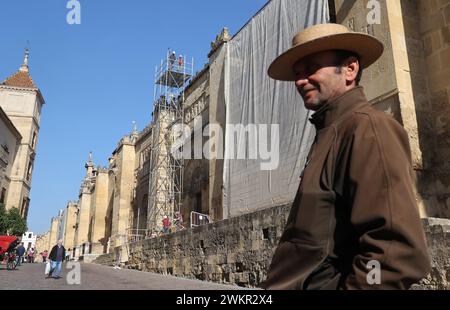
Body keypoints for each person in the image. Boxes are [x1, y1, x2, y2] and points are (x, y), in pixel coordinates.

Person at [260, 23, 431, 290]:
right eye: (297, 73)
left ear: (350, 69)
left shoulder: (368, 130)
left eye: (311, 68)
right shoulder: (331, 131)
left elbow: (393, 255)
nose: (300, 81)